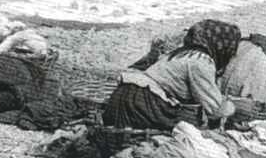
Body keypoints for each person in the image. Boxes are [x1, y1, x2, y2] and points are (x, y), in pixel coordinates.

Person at [103, 19, 253, 130]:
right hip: (144, 102)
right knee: (180, 132)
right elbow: (214, 108)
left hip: (127, 94)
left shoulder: (181, 54)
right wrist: (235, 108)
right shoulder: (201, 61)